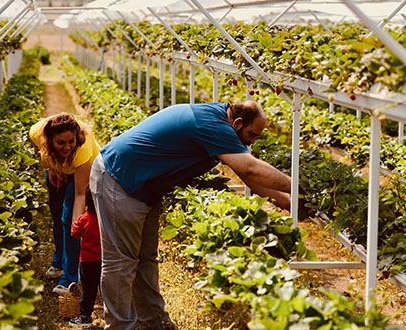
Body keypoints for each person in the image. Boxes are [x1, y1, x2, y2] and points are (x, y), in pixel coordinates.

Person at [89, 100, 292, 329]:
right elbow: (250, 168)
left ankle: (154, 322)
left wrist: (288, 201)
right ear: (237, 123)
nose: (253, 141)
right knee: (121, 263)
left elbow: (247, 176)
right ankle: (119, 326)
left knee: (145, 259)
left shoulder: (219, 118)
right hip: (119, 178)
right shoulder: (212, 125)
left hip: (142, 184)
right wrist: (297, 186)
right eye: (252, 134)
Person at [29, 112, 101, 295]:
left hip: (84, 171)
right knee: (56, 216)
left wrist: (77, 226)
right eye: (61, 143)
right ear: (48, 140)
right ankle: (59, 261)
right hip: (60, 168)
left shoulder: (82, 148)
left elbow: (79, 195)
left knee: (68, 217)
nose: (67, 146)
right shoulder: (36, 132)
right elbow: (38, 148)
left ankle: (70, 276)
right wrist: (51, 167)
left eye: (71, 141)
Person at [69, 187, 101, 328]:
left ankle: (85, 317)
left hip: (88, 261)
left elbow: (74, 234)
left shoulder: (85, 219)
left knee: (89, 290)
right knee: (106, 289)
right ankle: (113, 314)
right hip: (105, 260)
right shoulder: (105, 220)